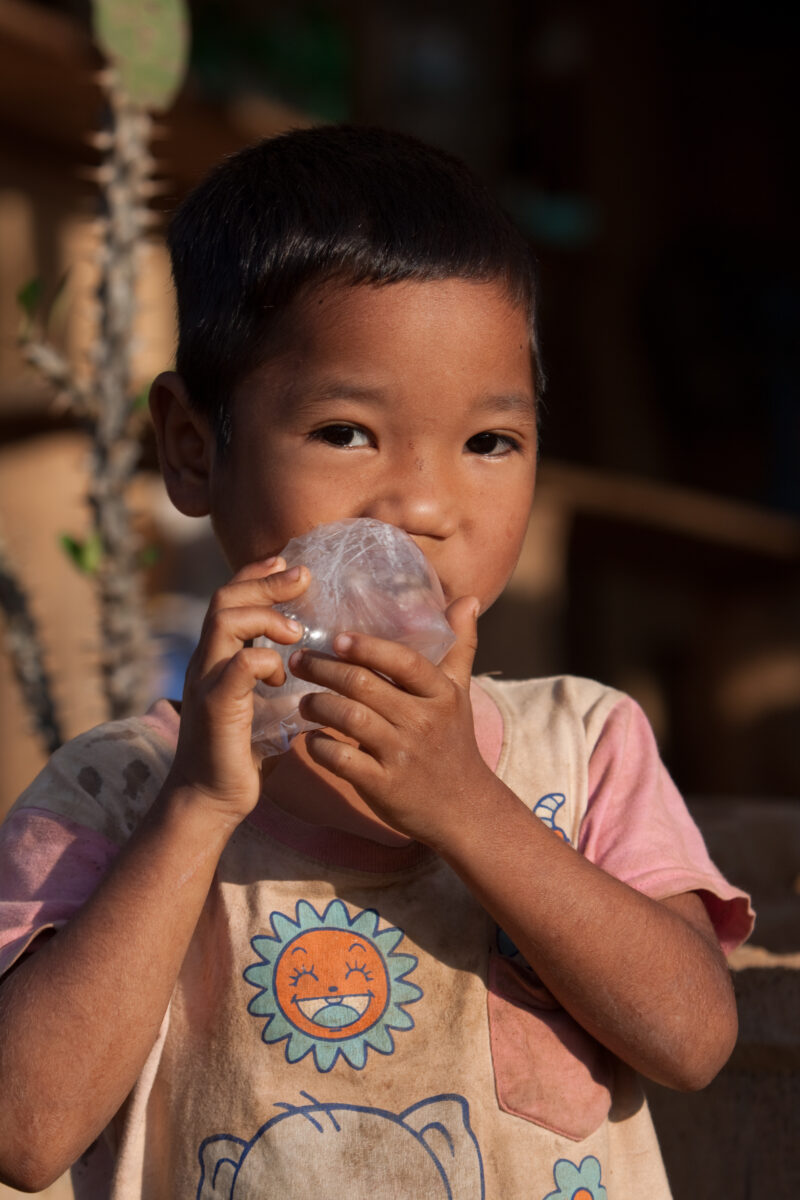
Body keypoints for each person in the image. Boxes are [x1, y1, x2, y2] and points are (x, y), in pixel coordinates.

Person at [0, 126, 752, 1200]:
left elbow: (691, 1039)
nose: (425, 507)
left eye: (490, 443)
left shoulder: (580, 743)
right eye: (348, 432)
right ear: (192, 447)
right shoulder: (115, 793)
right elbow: (24, 1130)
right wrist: (200, 808)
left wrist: (464, 806)